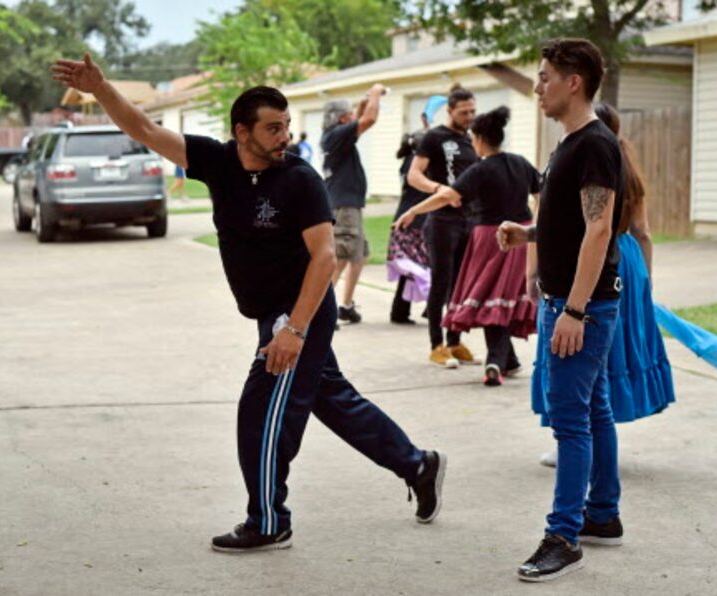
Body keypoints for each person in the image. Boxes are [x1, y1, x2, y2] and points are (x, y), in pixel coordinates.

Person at [52, 53, 447, 553]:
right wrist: (100, 87)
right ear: (243, 133)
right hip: (272, 313)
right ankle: (417, 463)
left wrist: (295, 330)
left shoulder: (300, 179)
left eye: (286, 127)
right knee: (331, 398)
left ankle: (268, 520)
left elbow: (324, 258)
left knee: (261, 414)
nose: (284, 137)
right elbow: (146, 130)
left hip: (298, 311)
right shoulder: (217, 162)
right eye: (272, 128)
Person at [497, 38, 625, 582]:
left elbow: (600, 226)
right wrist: (526, 233)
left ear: (574, 81)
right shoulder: (570, 143)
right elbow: (572, 223)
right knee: (594, 410)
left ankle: (563, 534)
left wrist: (573, 310)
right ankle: (603, 514)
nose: (537, 85)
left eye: (546, 75)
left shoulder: (594, 144)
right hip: (576, 301)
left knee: (570, 421)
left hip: (582, 307)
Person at [531, 102, 675, 466]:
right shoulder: (628, 171)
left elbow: (587, 229)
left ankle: (573, 440)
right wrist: (645, 280)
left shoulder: (586, 159)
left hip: (595, 260)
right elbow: (643, 232)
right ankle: (593, 445)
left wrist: (535, 272)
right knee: (609, 352)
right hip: (628, 262)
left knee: (574, 353)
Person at [395, 107, 540, 386]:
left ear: (479, 140)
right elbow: (541, 195)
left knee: (489, 299)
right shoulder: (521, 163)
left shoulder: (481, 169)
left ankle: (495, 361)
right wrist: (536, 225)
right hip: (521, 237)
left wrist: (413, 210)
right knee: (499, 300)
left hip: (491, 238)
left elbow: (446, 196)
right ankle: (506, 359)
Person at [408, 84, 479, 368]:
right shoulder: (434, 137)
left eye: (473, 111)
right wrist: (439, 189)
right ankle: (436, 344)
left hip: (469, 220)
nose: (470, 116)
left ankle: (454, 340)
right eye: (464, 112)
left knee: (461, 285)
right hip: (441, 221)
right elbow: (414, 175)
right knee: (441, 282)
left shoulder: (472, 140)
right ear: (450, 111)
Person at [321, 86, 384, 325]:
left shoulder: (336, 135)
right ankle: (321, 311)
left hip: (349, 205)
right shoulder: (337, 135)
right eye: (348, 113)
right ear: (340, 118)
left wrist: (363, 101)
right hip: (344, 207)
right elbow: (369, 119)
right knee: (340, 259)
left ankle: (345, 306)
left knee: (360, 255)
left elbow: (358, 119)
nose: (352, 116)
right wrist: (376, 94)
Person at [388, 131, 430, 325]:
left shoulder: (407, 160)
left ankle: (401, 311)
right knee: (425, 267)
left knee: (411, 270)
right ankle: (429, 309)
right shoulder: (418, 163)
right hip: (417, 221)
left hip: (405, 219)